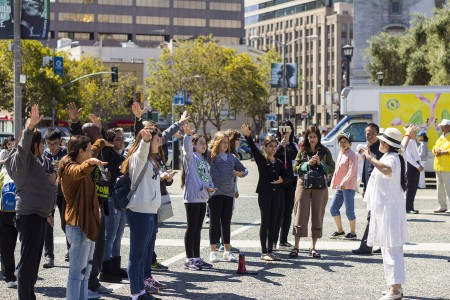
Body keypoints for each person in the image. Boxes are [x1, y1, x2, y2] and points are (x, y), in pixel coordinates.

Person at [4, 104, 56, 300]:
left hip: (40, 215)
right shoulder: (22, 159)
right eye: (42, 142)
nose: (44, 145)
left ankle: (29, 295)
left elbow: (47, 185)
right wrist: (29, 128)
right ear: (35, 143)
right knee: (28, 262)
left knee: (33, 262)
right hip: (29, 214)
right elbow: (23, 146)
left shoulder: (41, 161)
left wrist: (52, 180)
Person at [58, 135, 107, 300]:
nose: (92, 153)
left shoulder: (81, 158)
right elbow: (79, 171)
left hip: (87, 226)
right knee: (76, 274)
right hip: (78, 227)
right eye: (88, 151)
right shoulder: (69, 167)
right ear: (80, 151)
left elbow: (93, 149)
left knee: (85, 273)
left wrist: (101, 142)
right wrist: (90, 163)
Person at [121, 124, 167, 300]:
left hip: (149, 211)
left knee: (143, 255)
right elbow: (141, 153)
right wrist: (145, 140)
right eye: (157, 138)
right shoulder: (137, 158)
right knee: (137, 255)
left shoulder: (151, 160)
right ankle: (136, 293)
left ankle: (141, 290)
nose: (160, 141)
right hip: (139, 211)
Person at [362, 128, 408, 300]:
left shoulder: (392, 158)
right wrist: (408, 135)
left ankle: (395, 289)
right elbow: (401, 146)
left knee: (391, 248)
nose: (379, 143)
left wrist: (369, 158)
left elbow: (386, 170)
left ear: (388, 145)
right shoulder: (393, 155)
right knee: (388, 248)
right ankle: (394, 285)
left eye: (382, 141)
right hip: (386, 208)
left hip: (389, 209)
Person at [289, 126, 334, 258]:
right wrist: (307, 164)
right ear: (307, 138)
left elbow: (331, 168)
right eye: (310, 137)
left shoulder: (324, 151)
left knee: (317, 215)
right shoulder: (302, 151)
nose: (312, 139)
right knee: (300, 214)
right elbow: (295, 168)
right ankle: (296, 247)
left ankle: (313, 247)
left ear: (318, 137)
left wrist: (320, 163)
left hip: (320, 186)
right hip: (303, 183)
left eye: (314, 136)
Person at [242, 124, 286, 261]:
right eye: (270, 146)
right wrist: (248, 136)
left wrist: (282, 180)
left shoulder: (278, 161)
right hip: (265, 194)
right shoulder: (262, 160)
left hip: (276, 195)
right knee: (265, 221)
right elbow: (254, 150)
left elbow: (287, 176)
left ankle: (270, 250)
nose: (272, 149)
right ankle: (263, 251)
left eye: (274, 146)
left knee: (274, 222)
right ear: (265, 147)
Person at [208, 131, 248, 263]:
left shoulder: (232, 157)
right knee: (214, 223)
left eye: (226, 142)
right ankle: (213, 252)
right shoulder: (211, 156)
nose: (225, 145)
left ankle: (227, 251)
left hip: (229, 194)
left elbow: (245, 170)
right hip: (215, 194)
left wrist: (239, 173)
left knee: (226, 223)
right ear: (217, 142)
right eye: (222, 142)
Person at [182, 124, 215, 270]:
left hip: (202, 198)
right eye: (200, 142)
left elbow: (207, 179)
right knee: (192, 228)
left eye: (205, 142)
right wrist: (188, 137)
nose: (204, 145)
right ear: (194, 145)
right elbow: (186, 150)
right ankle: (189, 259)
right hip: (192, 198)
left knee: (198, 229)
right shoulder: (191, 158)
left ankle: (196, 257)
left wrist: (211, 188)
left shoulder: (204, 160)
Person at [100, 127, 128, 282]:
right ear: (110, 143)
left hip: (121, 199)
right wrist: (102, 129)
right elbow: (104, 142)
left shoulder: (121, 156)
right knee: (109, 236)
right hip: (111, 199)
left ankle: (116, 267)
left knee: (118, 236)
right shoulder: (109, 154)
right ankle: (106, 270)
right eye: (117, 139)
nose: (121, 141)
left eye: (122, 138)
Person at [352, 123, 384, 255]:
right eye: (367, 133)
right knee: (378, 218)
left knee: (373, 217)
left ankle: (366, 246)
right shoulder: (368, 148)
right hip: (371, 188)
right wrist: (365, 186)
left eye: (371, 133)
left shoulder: (381, 149)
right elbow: (366, 169)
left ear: (377, 134)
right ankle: (384, 245)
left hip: (379, 189)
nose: (369, 136)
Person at [42, 127, 68, 269]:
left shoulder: (66, 153)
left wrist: (61, 169)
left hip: (63, 193)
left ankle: (70, 250)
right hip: (48, 194)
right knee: (48, 225)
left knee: (67, 224)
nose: (52, 147)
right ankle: (49, 256)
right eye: (49, 143)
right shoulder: (43, 154)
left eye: (55, 144)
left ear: (60, 142)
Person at [329, 132, 358, 240]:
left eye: (345, 142)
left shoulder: (352, 155)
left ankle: (353, 233)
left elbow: (351, 171)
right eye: (340, 142)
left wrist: (343, 183)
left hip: (348, 186)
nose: (342, 143)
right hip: (340, 186)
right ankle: (340, 230)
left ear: (349, 143)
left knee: (349, 211)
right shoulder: (341, 153)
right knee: (333, 208)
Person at [274, 120, 299, 248]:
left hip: (291, 181)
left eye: (288, 129)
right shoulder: (275, 143)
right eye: (283, 129)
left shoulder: (294, 144)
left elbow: (296, 157)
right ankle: (273, 239)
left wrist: (288, 143)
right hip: (278, 182)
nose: (285, 132)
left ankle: (283, 239)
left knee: (288, 211)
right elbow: (272, 157)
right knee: (277, 210)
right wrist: (280, 146)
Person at [402, 125, 423, 214]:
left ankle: (411, 207)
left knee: (414, 187)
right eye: (414, 132)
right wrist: (417, 166)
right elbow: (408, 157)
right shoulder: (409, 142)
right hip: (411, 166)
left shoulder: (413, 141)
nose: (416, 133)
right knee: (411, 187)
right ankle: (408, 207)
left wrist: (419, 164)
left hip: (415, 164)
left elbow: (416, 155)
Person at [432, 119, 450, 213]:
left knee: (449, 187)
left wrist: (443, 152)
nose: (441, 127)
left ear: (449, 126)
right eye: (441, 126)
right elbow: (434, 147)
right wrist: (436, 150)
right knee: (440, 188)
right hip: (439, 166)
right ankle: (442, 206)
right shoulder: (441, 137)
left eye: (443, 126)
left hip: (448, 167)